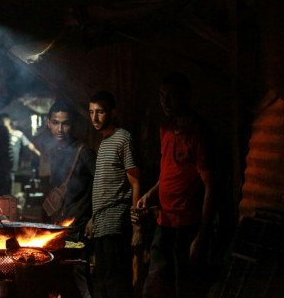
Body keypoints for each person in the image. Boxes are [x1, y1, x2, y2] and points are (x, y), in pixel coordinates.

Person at [135, 73, 215, 298]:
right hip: (164, 221)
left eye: (172, 96)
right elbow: (169, 173)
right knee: (155, 285)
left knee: (183, 289)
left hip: (188, 225)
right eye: (162, 96)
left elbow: (211, 187)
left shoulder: (199, 133)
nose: (165, 102)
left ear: (186, 96)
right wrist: (151, 194)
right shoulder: (166, 128)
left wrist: (202, 235)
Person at [87, 90, 141, 298]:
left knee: (117, 285)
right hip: (101, 224)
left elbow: (135, 181)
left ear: (113, 112)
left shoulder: (123, 138)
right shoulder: (104, 143)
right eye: (91, 112)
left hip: (116, 223)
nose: (95, 118)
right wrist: (94, 217)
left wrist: (136, 226)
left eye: (100, 112)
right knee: (103, 284)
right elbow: (106, 186)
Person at [45, 101, 96, 298]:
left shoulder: (84, 152)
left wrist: (94, 217)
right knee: (63, 281)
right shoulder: (55, 152)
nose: (60, 129)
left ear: (72, 124)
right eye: (55, 123)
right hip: (61, 228)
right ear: (48, 123)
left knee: (79, 278)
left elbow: (102, 185)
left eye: (65, 124)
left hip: (79, 227)